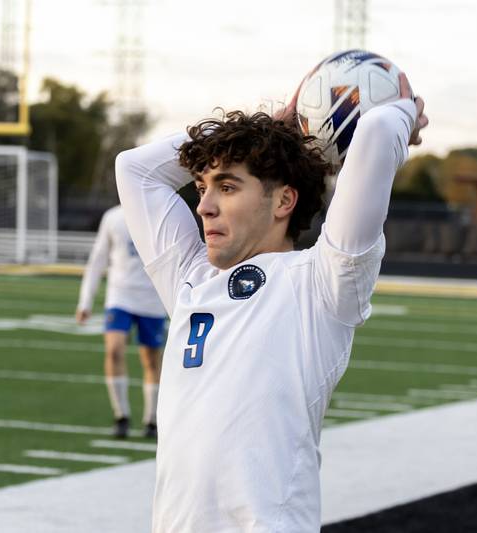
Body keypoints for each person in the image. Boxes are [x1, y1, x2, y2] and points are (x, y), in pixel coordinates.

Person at [115, 74, 427, 531]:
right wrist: (273, 123)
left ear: (284, 200)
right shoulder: (191, 280)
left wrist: (405, 111)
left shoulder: (323, 282)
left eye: (226, 187)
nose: (203, 206)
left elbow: (377, 130)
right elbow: (134, 168)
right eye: (201, 187)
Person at [75, 204, 166, 439]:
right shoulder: (113, 217)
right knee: (114, 351)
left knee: (152, 361)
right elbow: (98, 260)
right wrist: (85, 301)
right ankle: (121, 416)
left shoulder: (159, 212)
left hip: (152, 298)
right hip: (120, 296)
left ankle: (152, 420)